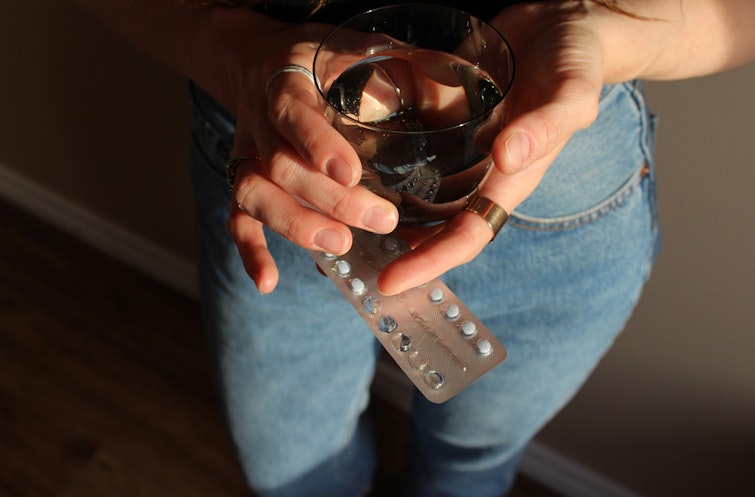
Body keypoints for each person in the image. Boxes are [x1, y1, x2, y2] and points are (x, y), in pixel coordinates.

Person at [74, 1, 755, 496]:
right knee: (290, 472)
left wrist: (597, 33)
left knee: (472, 465)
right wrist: (232, 49)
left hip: (554, 181)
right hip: (287, 165)